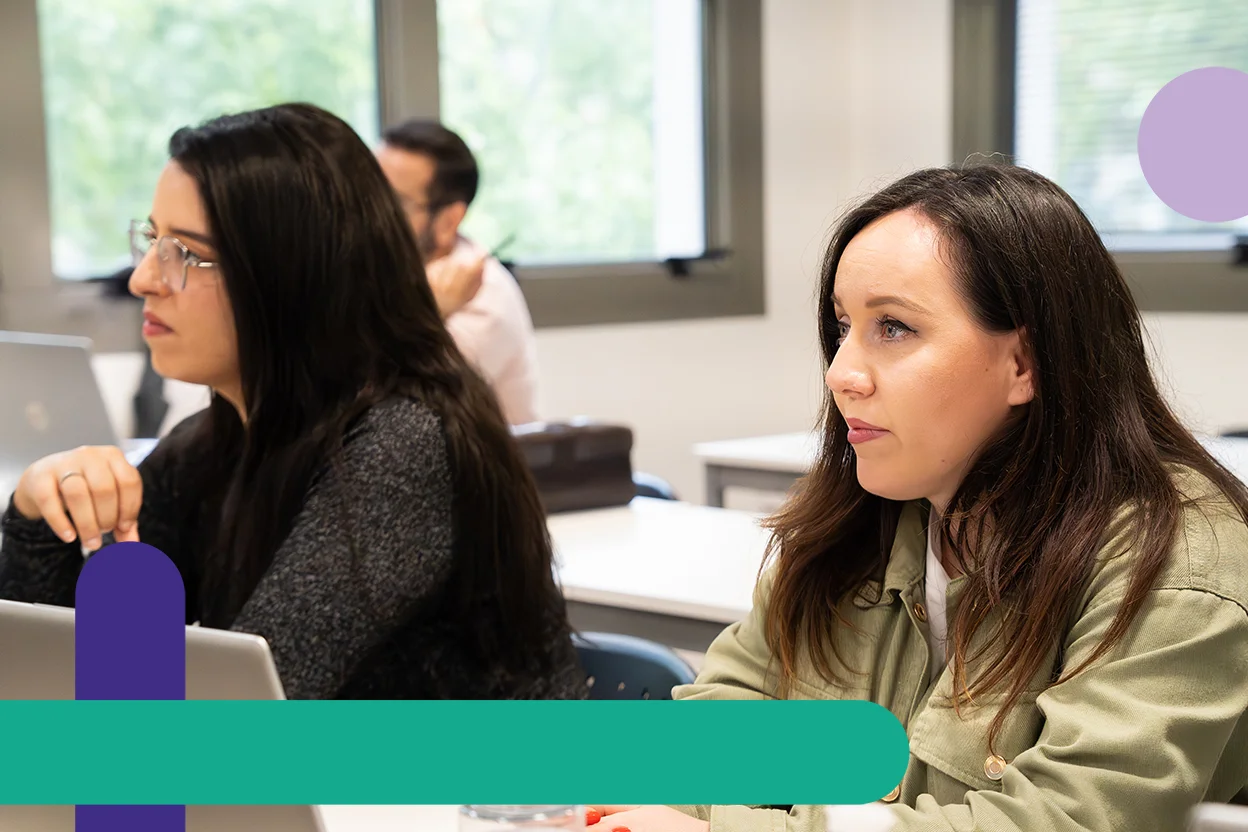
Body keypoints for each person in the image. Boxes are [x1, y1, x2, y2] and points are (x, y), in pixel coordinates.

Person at [588, 165, 1248, 831]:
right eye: (842, 325)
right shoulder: (858, 522)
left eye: (894, 328)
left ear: (1025, 363)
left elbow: (1061, 821)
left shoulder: (1176, 565)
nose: (842, 372)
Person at [0, 102, 586, 701]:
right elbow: (62, 672)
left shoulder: (403, 443)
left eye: (186, 253)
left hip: (500, 790)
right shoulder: (216, 440)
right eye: (152, 240)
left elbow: (245, 720)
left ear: (291, 275)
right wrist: (39, 515)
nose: (143, 279)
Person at [376, 118, 540, 425]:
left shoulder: (485, 296)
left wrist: (431, 311)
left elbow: (401, 406)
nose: (371, 213)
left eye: (395, 203)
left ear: (449, 220)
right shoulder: (386, 272)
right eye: (368, 192)